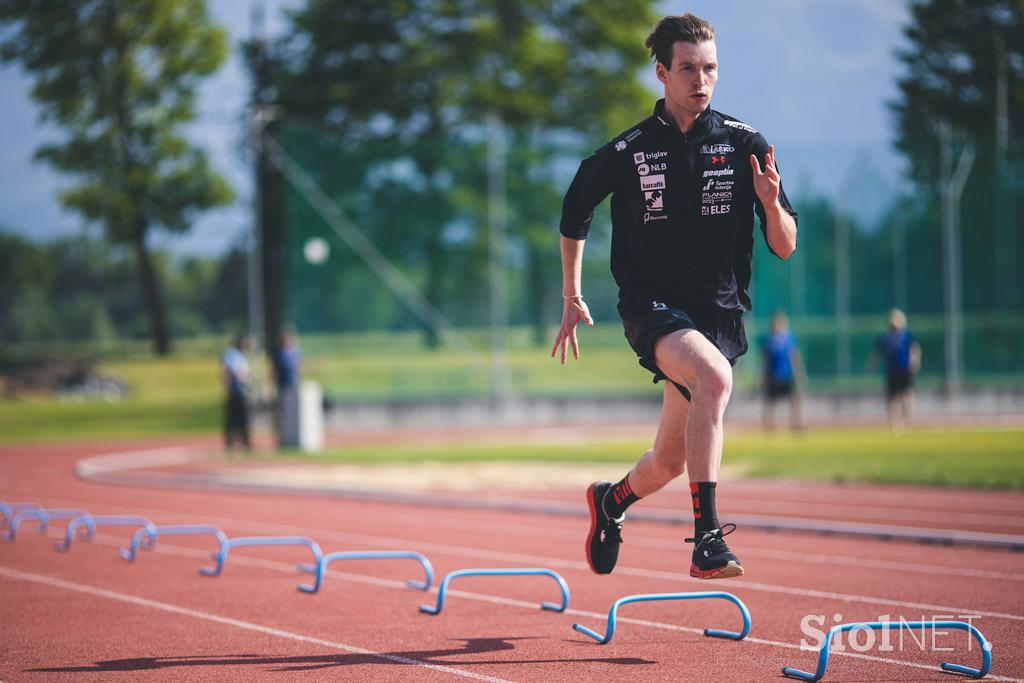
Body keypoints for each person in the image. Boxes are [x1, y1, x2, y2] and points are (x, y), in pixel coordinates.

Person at [552, 13, 797, 580]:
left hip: (720, 313)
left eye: (709, 68)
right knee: (713, 378)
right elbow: (574, 212)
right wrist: (571, 293)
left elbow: (785, 246)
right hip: (652, 307)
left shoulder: (746, 144)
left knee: (666, 461)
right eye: (687, 68)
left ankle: (610, 502)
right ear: (661, 73)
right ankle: (708, 538)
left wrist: (770, 203)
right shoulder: (629, 150)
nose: (701, 80)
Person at [867, 308, 921, 431]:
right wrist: (871, 367)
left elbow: (914, 349)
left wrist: (914, 362)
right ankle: (894, 424)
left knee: (907, 397)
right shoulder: (884, 337)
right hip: (892, 371)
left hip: (905, 370)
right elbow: (876, 354)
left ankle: (909, 422)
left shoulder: (907, 335)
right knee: (892, 399)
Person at [760, 311, 804, 432]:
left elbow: (795, 357)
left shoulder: (790, 339)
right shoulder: (769, 341)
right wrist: (763, 377)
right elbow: (765, 360)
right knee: (769, 402)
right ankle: (769, 425)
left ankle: (795, 423)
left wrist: (798, 374)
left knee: (795, 399)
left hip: (786, 375)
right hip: (773, 376)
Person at [272, 324, 302, 446]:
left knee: (293, 413)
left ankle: (293, 436)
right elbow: (273, 370)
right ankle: (281, 438)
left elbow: (298, 367)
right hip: (282, 386)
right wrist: (272, 386)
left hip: (293, 386)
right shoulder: (279, 352)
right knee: (281, 413)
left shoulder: (295, 351)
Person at [222, 334, 252, 450]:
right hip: (235, 390)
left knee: (242, 417)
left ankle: (244, 442)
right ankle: (230, 442)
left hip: (241, 390)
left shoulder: (241, 355)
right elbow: (230, 371)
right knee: (232, 418)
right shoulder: (232, 354)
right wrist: (227, 386)